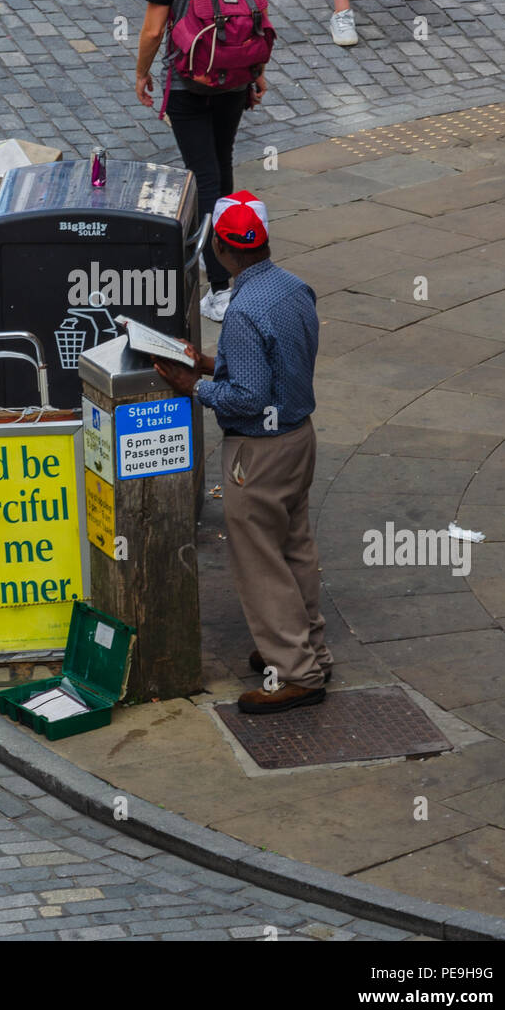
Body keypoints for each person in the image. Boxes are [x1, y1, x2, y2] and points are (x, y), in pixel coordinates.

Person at [153, 190, 333, 715]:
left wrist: (192, 385)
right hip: (299, 437)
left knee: (260, 563)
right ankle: (308, 650)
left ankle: (296, 674)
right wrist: (212, 362)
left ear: (223, 251)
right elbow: (276, 365)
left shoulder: (242, 310)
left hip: (260, 452)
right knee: (294, 545)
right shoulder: (292, 289)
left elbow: (248, 396)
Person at [136, 0, 270, 323]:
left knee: (203, 178)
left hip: (189, 81)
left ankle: (218, 286)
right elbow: (254, 15)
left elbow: (154, 29)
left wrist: (141, 71)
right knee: (222, 169)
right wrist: (255, 74)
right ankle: (240, 270)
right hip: (233, 78)